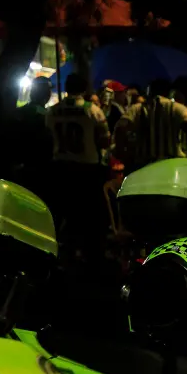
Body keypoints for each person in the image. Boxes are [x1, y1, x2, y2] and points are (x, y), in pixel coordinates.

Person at [44, 73, 111, 262]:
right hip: (87, 169)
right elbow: (105, 140)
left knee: (67, 213)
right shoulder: (93, 110)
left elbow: (49, 137)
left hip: (61, 167)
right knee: (90, 214)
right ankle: (90, 255)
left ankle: (68, 252)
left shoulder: (52, 111)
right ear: (84, 89)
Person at [114, 77, 187, 171]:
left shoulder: (137, 109)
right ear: (169, 92)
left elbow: (121, 128)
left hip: (144, 165)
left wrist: (122, 153)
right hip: (171, 164)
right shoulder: (177, 108)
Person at [8, 76, 55, 195]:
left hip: (19, 168)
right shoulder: (47, 116)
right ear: (46, 93)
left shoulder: (18, 112)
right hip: (40, 169)